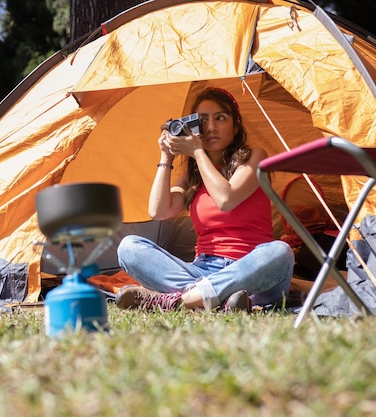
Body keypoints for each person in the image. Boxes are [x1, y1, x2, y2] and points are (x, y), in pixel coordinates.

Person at [115, 87, 294, 312]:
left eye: (220, 118)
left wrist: (198, 152)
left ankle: (182, 301)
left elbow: (226, 199)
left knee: (279, 251)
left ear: (235, 126)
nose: (211, 127)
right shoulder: (193, 176)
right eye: (202, 121)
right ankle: (218, 300)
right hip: (203, 269)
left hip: (251, 271)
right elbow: (158, 211)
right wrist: (166, 156)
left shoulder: (254, 158)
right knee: (129, 247)